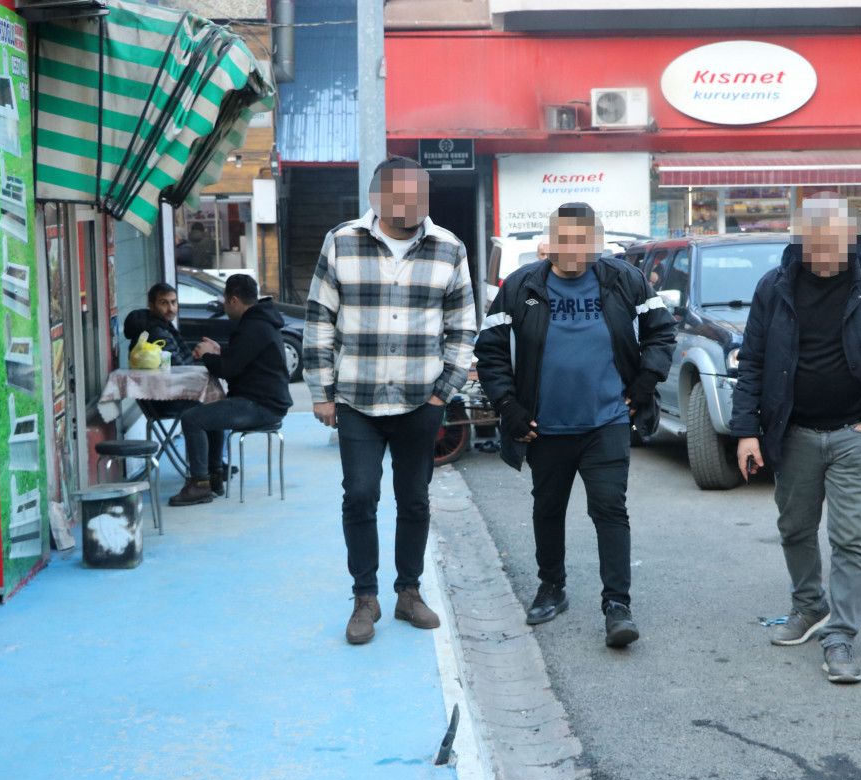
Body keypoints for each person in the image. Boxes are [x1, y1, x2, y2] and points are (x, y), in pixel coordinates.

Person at [729, 195, 861, 684]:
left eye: (833, 244)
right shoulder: (775, 286)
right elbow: (752, 362)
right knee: (795, 527)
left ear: (850, 239)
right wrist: (746, 431)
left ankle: (841, 635)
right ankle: (808, 605)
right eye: (814, 245)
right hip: (793, 431)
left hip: (855, 432)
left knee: (851, 537)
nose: (823, 255)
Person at [474, 203, 676, 648]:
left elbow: (661, 332)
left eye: (583, 240)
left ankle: (617, 605)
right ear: (549, 242)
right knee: (548, 509)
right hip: (544, 427)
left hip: (607, 422)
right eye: (564, 240)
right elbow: (489, 350)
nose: (573, 249)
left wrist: (645, 381)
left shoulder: (625, 280)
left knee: (610, 509)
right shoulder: (520, 286)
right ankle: (552, 587)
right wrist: (508, 405)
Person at [304, 156, 477, 645]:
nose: (409, 203)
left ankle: (408, 592)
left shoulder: (449, 248)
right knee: (360, 495)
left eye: (418, 194)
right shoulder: (341, 241)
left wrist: (444, 391)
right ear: (376, 196)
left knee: (414, 499)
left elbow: (463, 326)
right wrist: (321, 392)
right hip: (356, 399)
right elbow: (319, 319)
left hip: (421, 401)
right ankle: (365, 597)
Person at [168, 275, 293, 506]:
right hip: (265, 402)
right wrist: (218, 352)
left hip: (260, 406)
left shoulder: (253, 327)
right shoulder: (260, 322)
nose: (224, 307)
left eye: (225, 301)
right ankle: (214, 477)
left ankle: (199, 484)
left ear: (234, 300)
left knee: (191, 419)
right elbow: (241, 360)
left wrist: (207, 355)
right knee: (210, 412)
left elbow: (228, 370)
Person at [123, 283, 193, 366]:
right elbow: (179, 368)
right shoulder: (155, 332)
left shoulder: (159, 322)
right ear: (151, 306)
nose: (171, 309)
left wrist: (195, 354)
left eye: (173, 302)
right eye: (164, 303)